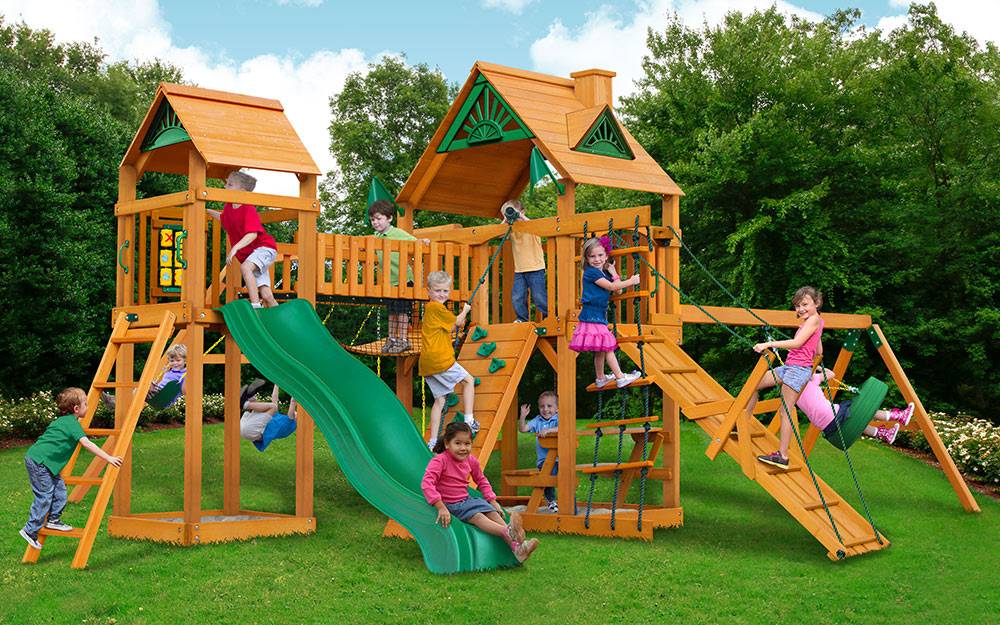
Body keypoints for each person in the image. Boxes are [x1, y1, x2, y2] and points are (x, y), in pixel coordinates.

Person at [19, 388, 123, 550]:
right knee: (45, 496)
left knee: (60, 492)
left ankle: (54, 520)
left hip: (46, 463)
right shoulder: (71, 424)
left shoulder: (62, 422)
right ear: (76, 409)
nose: (88, 407)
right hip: (40, 462)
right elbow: (87, 443)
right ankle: (30, 529)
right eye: (86, 404)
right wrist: (109, 458)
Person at [422, 421, 539, 563]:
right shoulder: (440, 461)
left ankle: (518, 549)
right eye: (458, 443)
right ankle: (509, 533)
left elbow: (481, 480)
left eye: (467, 444)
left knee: (492, 513)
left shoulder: (471, 460)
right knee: (477, 516)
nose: (463, 448)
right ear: (447, 444)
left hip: (466, 500)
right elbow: (427, 484)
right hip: (449, 504)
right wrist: (440, 506)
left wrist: (493, 501)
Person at [749, 286, 826, 470]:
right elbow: (819, 351)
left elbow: (798, 343)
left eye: (805, 304)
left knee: (785, 411)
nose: (801, 309)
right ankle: (744, 421)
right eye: (797, 306)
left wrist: (768, 343)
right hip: (791, 367)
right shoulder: (816, 322)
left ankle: (782, 456)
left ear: (816, 303)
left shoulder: (813, 320)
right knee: (754, 384)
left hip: (797, 370)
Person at [569, 236, 642, 388]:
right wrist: (631, 281)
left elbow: (619, 290)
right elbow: (611, 288)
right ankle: (620, 377)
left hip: (597, 316)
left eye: (600, 255)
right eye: (592, 256)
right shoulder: (591, 273)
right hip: (591, 316)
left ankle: (600, 378)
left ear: (606, 256)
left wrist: (613, 271)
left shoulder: (603, 273)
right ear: (587, 259)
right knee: (607, 346)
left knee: (600, 349)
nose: (597, 259)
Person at [420, 271, 479, 448]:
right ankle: (469, 421)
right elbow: (459, 323)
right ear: (429, 291)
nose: (442, 295)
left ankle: (432, 442)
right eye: (438, 291)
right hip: (440, 359)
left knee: (440, 401)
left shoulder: (430, 310)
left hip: (427, 363)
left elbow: (450, 327)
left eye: (445, 291)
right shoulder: (437, 307)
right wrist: (466, 310)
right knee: (469, 381)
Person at [207, 170, 279, 309]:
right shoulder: (228, 208)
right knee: (267, 295)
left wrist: (235, 248)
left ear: (241, 191)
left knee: (245, 267)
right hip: (253, 255)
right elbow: (222, 218)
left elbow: (252, 234)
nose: (225, 187)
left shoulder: (248, 208)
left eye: (229, 184)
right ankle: (279, 317)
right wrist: (204, 210)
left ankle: (255, 306)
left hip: (264, 248)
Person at [797, 369, 915, 445]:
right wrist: (816, 367)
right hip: (833, 416)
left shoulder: (791, 393)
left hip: (827, 429)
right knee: (861, 409)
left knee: (853, 421)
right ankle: (899, 416)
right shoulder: (812, 379)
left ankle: (883, 433)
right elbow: (831, 374)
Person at [369, 199, 424, 354]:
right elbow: (367, 244)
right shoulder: (377, 237)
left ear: (390, 218)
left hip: (404, 280)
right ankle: (392, 338)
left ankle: (403, 340)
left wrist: (423, 241)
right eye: (373, 219)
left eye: (379, 218)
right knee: (392, 312)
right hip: (390, 282)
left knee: (401, 312)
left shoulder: (397, 233)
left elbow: (414, 241)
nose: (375, 222)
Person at [500, 199, 548, 323]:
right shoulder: (512, 230)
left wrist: (521, 216)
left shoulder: (531, 227)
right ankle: (522, 318)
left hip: (536, 268)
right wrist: (506, 220)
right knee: (517, 297)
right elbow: (499, 234)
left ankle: (549, 316)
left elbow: (540, 228)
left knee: (539, 297)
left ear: (522, 212)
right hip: (520, 270)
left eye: (512, 212)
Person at [100, 343, 187, 410]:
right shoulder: (168, 371)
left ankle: (115, 402)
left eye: (178, 360)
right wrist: (154, 383)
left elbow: (184, 391)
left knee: (143, 387)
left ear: (185, 360)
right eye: (172, 360)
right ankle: (116, 402)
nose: (175, 363)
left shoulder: (186, 373)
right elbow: (160, 382)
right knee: (139, 388)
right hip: (157, 393)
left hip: (164, 396)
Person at [518, 391, 559, 512]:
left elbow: (563, 427)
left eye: (549, 406)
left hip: (560, 458)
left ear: (557, 408)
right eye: (542, 406)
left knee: (563, 478)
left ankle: (565, 501)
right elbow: (523, 429)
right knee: (546, 477)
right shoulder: (537, 420)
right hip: (543, 460)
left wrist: (549, 430)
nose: (545, 409)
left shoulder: (558, 419)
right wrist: (522, 416)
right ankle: (551, 501)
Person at [239, 383, 298, 452]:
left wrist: (296, 389)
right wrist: (277, 383)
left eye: (296, 413)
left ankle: (246, 403)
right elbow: (274, 398)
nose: (296, 412)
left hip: (253, 431)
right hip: (247, 428)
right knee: (266, 408)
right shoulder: (278, 418)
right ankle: (250, 398)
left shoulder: (290, 422)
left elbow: (293, 402)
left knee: (273, 407)